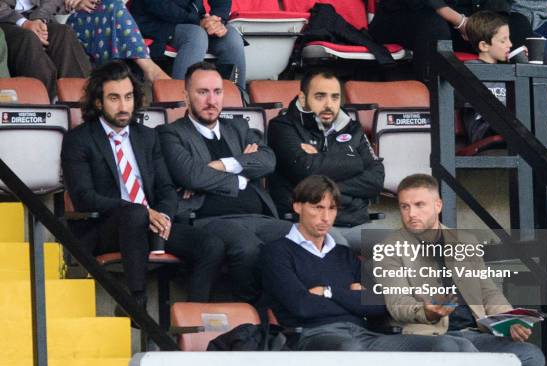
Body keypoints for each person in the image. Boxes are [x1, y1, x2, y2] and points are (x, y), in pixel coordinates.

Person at [260, 175, 486, 366]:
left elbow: (378, 304)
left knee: (446, 347)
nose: (325, 217)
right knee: (348, 349)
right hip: (314, 336)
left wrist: (330, 292)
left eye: (332, 208)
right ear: (297, 206)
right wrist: (353, 297)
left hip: (365, 335)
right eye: (317, 207)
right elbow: (301, 306)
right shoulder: (276, 252)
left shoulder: (344, 254)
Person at [61, 60, 224, 305]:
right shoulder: (78, 139)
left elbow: (166, 189)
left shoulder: (147, 136)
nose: (124, 106)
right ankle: (135, 303)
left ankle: (194, 312)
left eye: (128, 97)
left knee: (211, 244)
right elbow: (85, 197)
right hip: (105, 227)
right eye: (114, 98)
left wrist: (164, 217)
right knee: (135, 214)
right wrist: (141, 212)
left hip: (150, 225)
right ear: (98, 102)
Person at [375, 173, 545, 366]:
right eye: (404, 207)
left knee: (531, 356)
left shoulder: (465, 241)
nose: (411, 214)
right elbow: (398, 302)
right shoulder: (390, 247)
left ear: (438, 205)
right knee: (463, 351)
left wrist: (508, 319)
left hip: (474, 333)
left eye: (419, 205)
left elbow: (488, 292)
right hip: (429, 334)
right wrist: (428, 312)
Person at [157, 61, 292, 303]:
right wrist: (241, 176)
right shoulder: (171, 133)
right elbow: (191, 176)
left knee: (305, 239)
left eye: (217, 92)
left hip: (259, 217)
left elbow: (268, 160)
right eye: (202, 92)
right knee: (249, 248)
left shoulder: (238, 128)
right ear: (186, 96)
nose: (212, 100)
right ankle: (251, 319)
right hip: (209, 220)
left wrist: (222, 165)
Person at [267, 70, 384, 253]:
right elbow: (306, 170)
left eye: (335, 97)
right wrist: (355, 162)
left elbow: (376, 180)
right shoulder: (282, 127)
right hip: (305, 226)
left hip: (355, 222)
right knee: (339, 253)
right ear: (303, 98)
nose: (329, 104)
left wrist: (321, 183)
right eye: (320, 96)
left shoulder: (353, 128)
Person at [368, 0, 534, 80]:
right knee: (434, 26)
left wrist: (481, 25)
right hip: (407, 14)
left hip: (468, 21)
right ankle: (433, 100)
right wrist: (460, 22)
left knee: (518, 24)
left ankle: (518, 102)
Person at [129, 0, 246, 89]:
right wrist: (197, 21)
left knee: (231, 37)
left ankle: (236, 104)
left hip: (194, 20)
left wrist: (217, 19)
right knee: (196, 36)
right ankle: (180, 104)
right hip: (153, 21)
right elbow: (156, 4)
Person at [0, 0, 91, 98]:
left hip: (34, 15)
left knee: (64, 33)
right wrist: (23, 23)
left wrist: (40, 18)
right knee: (28, 38)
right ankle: (47, 103)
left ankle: (81, 101)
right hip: (5, 19)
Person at [65, 0, 170, 81]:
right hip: (68, 20)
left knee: (114, 6)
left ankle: (147, 68)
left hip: (99, 13)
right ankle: (150, 69)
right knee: (114, 7)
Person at [461, 11, 512, 145]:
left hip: (511, 126)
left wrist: (523, 64)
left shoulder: (508, 70)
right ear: (484, 46)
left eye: (509, 39)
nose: (510, 44)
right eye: (503, 40)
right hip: (483, 129)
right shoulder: (470, 69)